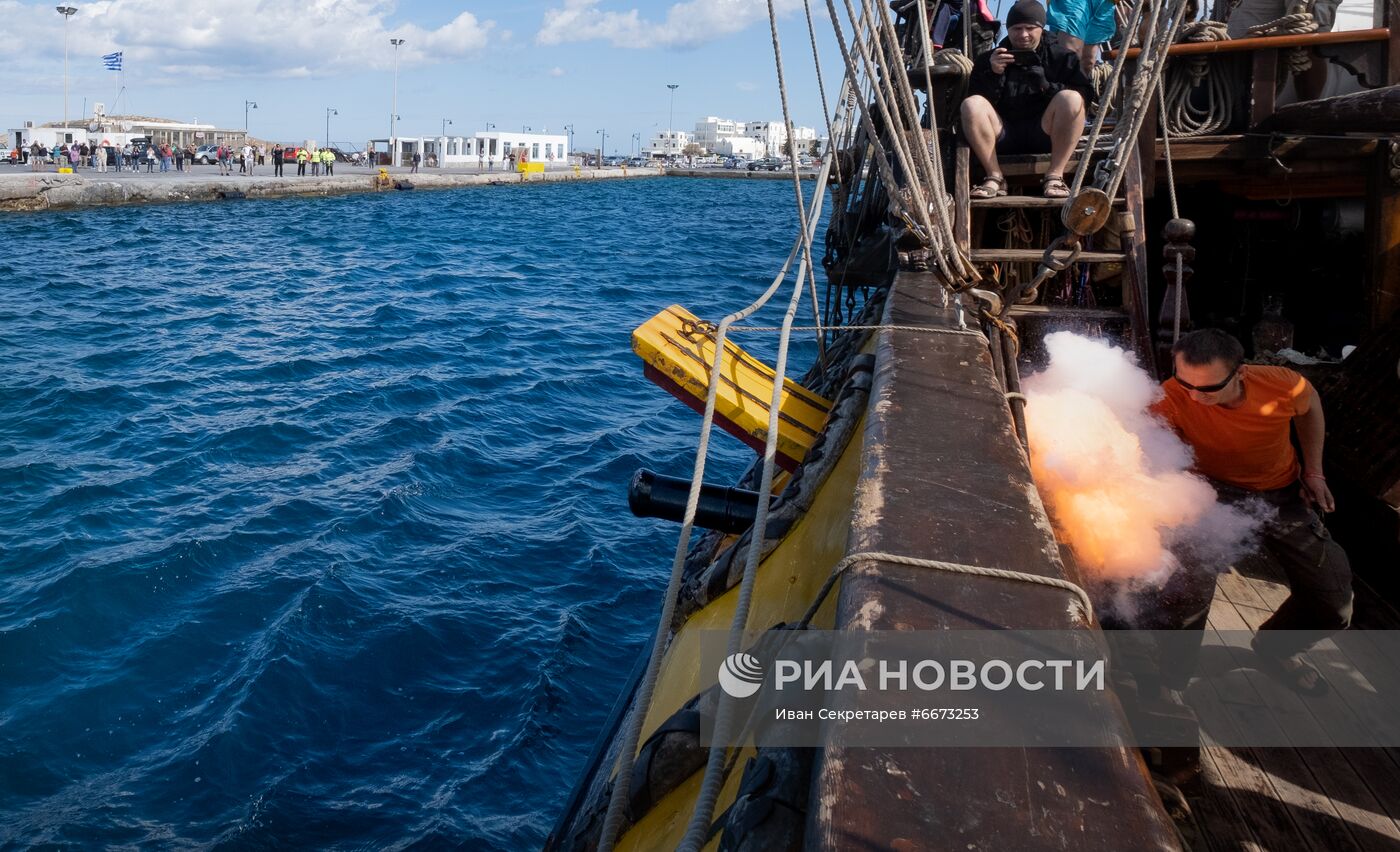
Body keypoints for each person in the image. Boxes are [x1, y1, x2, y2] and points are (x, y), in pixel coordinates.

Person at [1149, 328, 1353, 695]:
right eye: (1186, 383)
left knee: (1333, 600)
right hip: (1208, 493)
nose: (1195, 397)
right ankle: (1170, 684)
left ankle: (1276, 649)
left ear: (1240, 373)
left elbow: (1311, 408)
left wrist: (1314, 471)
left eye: (1208, 389)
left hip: (1280, 493)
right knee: (1188, 588)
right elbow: (1146, 443)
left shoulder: (1282, 384)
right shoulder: (1172, 395)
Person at [961, 0, 1092, 199]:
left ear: (1041, 28)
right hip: (1003, 134)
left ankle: (1055, 176)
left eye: (1030, 28)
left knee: (1072, 98)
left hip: (1046, 133)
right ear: (1008, 29)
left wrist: (1047, 86)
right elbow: (978, 104)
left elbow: (1085, 99)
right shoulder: (989, 59)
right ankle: (994, 176)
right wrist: (994, 74)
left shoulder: (1062, 57)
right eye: (1016, 29)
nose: (1023, 35)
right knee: (971, 104)